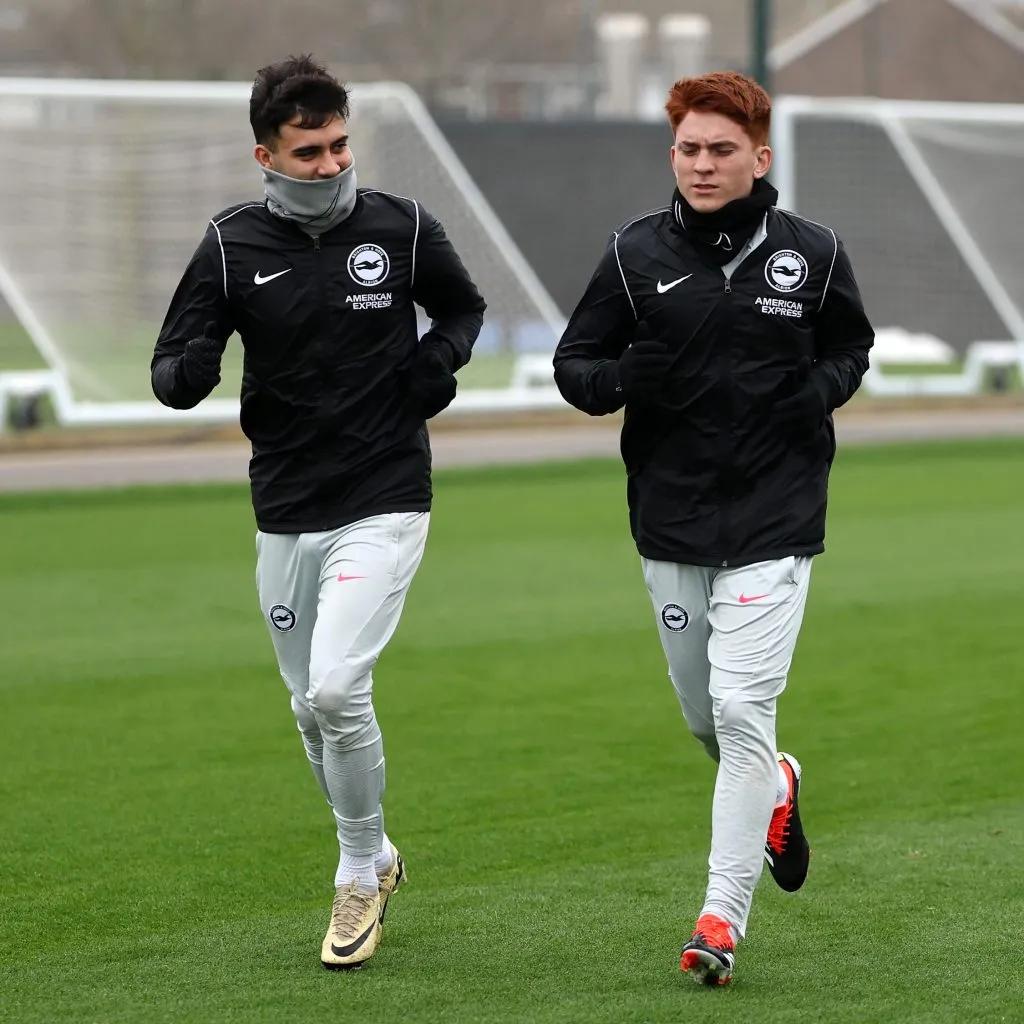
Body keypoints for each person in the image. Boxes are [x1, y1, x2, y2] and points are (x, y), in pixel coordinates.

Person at [151, 54, 485, 970]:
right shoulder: (231, 245)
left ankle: (353, 875)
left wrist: (436, 363)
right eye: (310, 152)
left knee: (338, 689)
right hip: (286, 504)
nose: (332, 164)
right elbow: (174, 362)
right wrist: (187, 370)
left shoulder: (401, 227)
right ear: (267, 156)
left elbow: (462, 310)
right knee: (308, 708)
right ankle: (380, 853)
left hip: (385, 495)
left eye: (341, 145)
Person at [552, 71, 873, 985]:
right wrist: (627, 379)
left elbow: (851, 347)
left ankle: (719, 922)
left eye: (721, 150)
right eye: (689, 149)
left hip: (778, 513)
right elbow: (575, 366)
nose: (702, 164)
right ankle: (777, 784)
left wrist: (814, 394)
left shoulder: (812, 253)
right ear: (673, 155)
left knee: (739, 711)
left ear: (758, 157)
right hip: (671, 518)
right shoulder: (633, 254)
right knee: (708, 719)